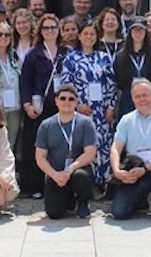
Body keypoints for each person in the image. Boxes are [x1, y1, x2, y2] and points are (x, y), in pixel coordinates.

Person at [109, 78, 151, 220]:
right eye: (137, 96)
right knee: (119, 212)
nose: (142, 99)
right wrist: (117, 171)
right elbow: (116, 148)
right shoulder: (126, 120)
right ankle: (140, 201)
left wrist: (146, 169)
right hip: (135, 171)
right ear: (133, 100)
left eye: (145, 95)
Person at [60, 22, 117, 186]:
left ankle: (103, 183)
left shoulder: (104, 57)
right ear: (79, 36)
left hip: (102, 110)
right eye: (86, 34)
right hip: (81, 110)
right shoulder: (71, 59)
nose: (89, 37)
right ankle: (85, 184)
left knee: (103, 145)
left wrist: (110, 107)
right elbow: (66, 85)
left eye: (92, 34)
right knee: (84, 145)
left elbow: (111, 84)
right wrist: (77, 105)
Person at [20, 14, 67, 198]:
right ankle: (35, 186)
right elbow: (25, 81)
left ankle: (59, 182)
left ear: (58, 30)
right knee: (37, 145)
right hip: (38, 108)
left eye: (53, 27)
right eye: (46, 28)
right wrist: (26, 104)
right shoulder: (33, 53)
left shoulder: (66, 52)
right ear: (40, 31)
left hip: (61, 107)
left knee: (60, 144)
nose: (49, 31)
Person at [35, 84, 99, 219]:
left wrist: (70, 169)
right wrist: (54, 174)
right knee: (54, 213)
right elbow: (40, 157)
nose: (67, 102)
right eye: (63, 98)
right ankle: (69, 199)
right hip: (56, 173)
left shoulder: (86, 123)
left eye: (71, 99)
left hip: (78, 170)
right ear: (56, 101)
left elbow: (90, 153)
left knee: (80, 176)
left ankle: (83, 201)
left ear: (76, 102)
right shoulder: (46, 125)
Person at [113, 17, 151, 121]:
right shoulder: (121, 56)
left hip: (148, 100)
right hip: (127, 100)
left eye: (141, 30)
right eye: (135, 30)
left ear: (146, 32)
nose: (138, 33)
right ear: (129, 33)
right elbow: (119, 80)